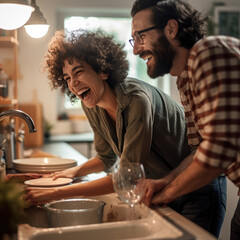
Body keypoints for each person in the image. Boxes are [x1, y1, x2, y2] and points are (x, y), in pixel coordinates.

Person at [24, 29, 225, 236]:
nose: (73, 84)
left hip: (197, 185)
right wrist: (73, 172)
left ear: (102, 70)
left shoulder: (136, 100)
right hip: (159, 188)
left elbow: (126, 177)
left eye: (79, 72)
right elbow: (105, 158)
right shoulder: (91, 104)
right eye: (66, 77)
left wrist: (55, 193)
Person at [130, 0, 240, 239]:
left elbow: (217, 152)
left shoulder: (207, 52)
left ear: (171, 29)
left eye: (140, 36)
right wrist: (165, 181)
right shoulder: (185, 78)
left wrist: (167, 194)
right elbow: (201, 149)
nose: (136, 50)